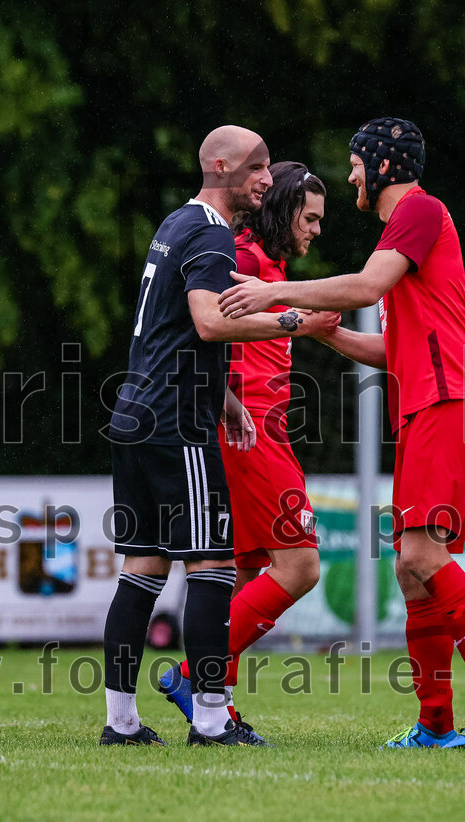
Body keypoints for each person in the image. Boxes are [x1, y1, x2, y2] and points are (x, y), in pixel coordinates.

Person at [219, 117, 465, 748]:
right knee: (413, 571)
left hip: (450, 400)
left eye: (357, 162)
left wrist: (270, 294)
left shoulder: (418, 212)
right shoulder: (403, 234)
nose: (352, 174)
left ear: (384, 165)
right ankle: (435, 724)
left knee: (420, 556)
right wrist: (327, 332)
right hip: (430, 401)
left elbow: (364, 287)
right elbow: (393, 348)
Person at [101, 126, 337, 747]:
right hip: (177, 420)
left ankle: (120, 722)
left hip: (138, 410)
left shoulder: (172, 225)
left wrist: (225, 398)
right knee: (213, 569)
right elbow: (207, 322)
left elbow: (173, 328)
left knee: (143, 570)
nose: (266, 176)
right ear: (223, 166)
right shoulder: (210, 233)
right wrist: (291, 318)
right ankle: (209, 719)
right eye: (257, 167)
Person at [157, 162, 333, 741]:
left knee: (245, 571)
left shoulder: (271, 266)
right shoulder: (245, 258)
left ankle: (215, 704)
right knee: (301, 566)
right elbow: (202, 326)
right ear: (284, 209)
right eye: (309, 218)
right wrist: (230, 398)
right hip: (249, 431)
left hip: (255, 427)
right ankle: (191, 677)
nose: (314, 230)